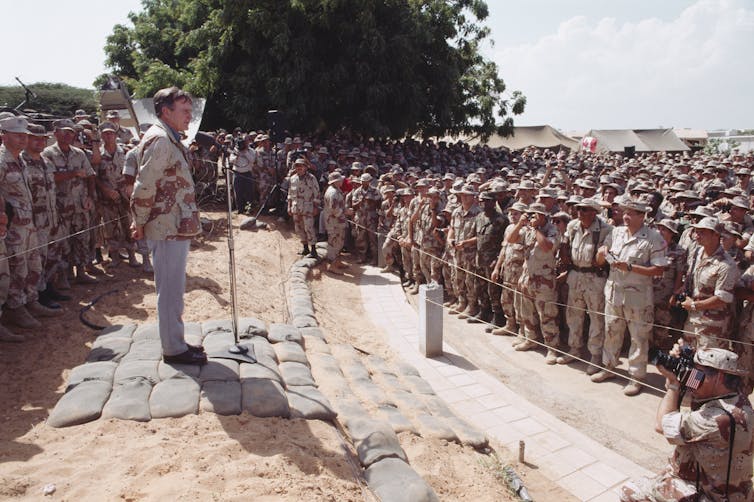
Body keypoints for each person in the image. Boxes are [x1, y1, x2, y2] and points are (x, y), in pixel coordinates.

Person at [130, 87, 205, 365]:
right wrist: (138, 221)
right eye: (184, 110)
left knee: (174, 287)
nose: (190, 115)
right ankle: (173, 349)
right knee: (170, 289)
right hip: (165, 226)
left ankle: (176, 341)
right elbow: (145, 184)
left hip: (173, 224)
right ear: (165, 111)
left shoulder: (171, 139)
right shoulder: (161, 140)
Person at [621, 347, 753, 502]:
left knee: (630, 491)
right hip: (735, 492)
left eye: (698, 375)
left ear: (720, 377)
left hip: (710, 496)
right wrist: (681, 369)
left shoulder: (716, 418)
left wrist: (673, 384)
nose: (694, 378)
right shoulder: (739, 401)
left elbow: (661, 424)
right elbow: (694, 399)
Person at [592, 199, 667, 396]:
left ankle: (636, 377)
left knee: (639, 339)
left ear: (643, 216)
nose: (626, 216)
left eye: (632, 213)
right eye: (625, 212)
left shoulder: (653, 238)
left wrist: (631, 267)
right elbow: (600, 259)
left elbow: (659, 270)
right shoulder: (616, 232)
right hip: (614, 292)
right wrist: (602, 253)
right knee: (611, 332)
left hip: (638, 298)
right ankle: (608, 367)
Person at [559, 198, 613, 373]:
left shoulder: (606, 230)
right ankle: (575, 349)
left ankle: (595, 355)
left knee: (596, 318)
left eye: (585, 209)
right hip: (576, 275)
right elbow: (565, 247)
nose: (580, 212)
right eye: (579, 209)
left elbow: (606, 257)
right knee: (573, 314)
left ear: (594, 212)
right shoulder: (573, 226)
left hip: (594, 277)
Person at [287, 157, 320, 258]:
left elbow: (317, 193)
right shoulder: (293, 179)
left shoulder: (311, 178)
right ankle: (305, 248)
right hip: (296, 207)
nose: (299, 168)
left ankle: (313, 250)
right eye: (297, 166)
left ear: (305, 167)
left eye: (301, 166)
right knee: (299, 228)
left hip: (308, 207)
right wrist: (289, 206)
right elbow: (290, 193)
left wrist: (316, 207)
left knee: (309, 227)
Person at [322, 171, 348, 272]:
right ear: (335, 181)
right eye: (340, 179)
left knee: (339, 242)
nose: (342, 181)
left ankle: (337, 261)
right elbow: (334, 210)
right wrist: (346, 211)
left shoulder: (336, 190)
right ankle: (332, 265)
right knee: (334, 243)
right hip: (334, 222)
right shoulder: (332, 193)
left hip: (338, 221)